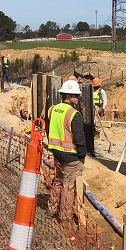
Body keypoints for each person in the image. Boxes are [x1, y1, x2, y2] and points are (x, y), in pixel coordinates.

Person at [45, 79, 87, 223]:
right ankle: (65, 217)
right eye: (76, 95)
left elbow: (47, 129)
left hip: (56, 152)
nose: (78, 97)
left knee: (58, 180)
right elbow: (79, 137)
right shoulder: (74, 114)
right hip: (71, 156)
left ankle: (51, 209)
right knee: (68, 185)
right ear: (68, 96)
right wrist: (82, 154)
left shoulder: (52, 109)